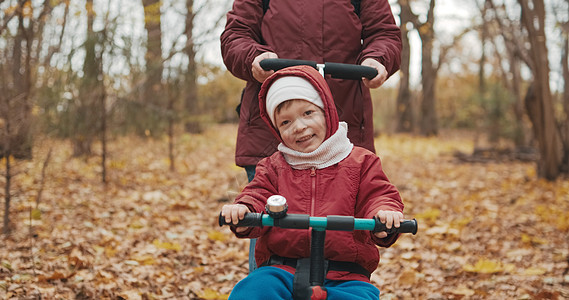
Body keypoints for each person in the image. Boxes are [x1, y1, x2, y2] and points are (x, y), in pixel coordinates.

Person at [221, 0, 402, 270]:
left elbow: (384, 33)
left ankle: (344, 279)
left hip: (345, 118)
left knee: (347, 223)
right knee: (267, 216)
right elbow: (236, 33)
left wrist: (377, 58)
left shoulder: (359, 162)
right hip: (272, 128)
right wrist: (253, 57)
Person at [221, 66, 404, 299]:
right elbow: (257, 194)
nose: (298, 126)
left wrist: (384, 214)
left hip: (346, 273)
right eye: (285, 122)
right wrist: (244, 211)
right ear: (276, 130)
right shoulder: (273, 166)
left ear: (327, 112)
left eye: (308, 113)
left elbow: (378, 194)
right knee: (253, 290)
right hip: (282, 267)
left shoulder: (361, 161)